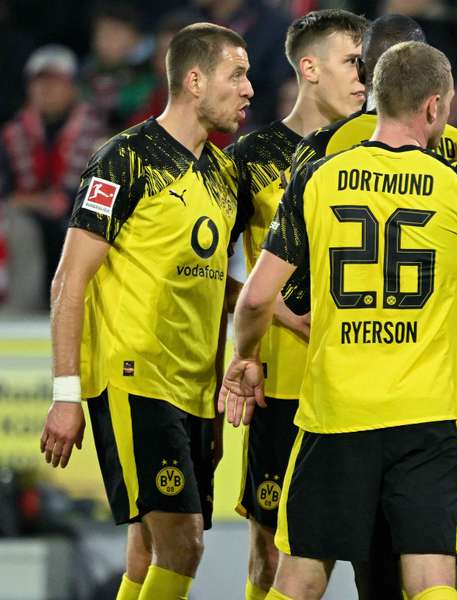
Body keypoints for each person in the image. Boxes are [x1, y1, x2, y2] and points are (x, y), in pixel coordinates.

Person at [220, 40, 457, 600]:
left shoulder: (318, 176)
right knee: (429, 580)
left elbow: (256, 299)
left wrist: (245, 360)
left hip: (334, 411)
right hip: (427, 417)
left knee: (300, 577)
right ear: (433, 107)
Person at [38, 22, 252, 600]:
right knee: (184, 547)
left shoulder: (223, 175)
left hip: (190, 390)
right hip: (135, 378)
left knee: (148, 551)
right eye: (237, 74)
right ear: (194, 79)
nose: (249, 89)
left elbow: (207, 284)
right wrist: (65, 394)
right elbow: (68, 280)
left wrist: (261, 310)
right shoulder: (124, 159)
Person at [291, 17, 457, 598]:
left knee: (335, 559)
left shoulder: (321, 156)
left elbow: (288, 281)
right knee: (438, 556)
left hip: (341, 389)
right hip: (431, 390)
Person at [226, 9, 369, 600]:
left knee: (367, 552)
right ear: (309, 69)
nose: (364, 77)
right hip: (280, 384)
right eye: (351, 62)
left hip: (360, 384)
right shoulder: (250, 157)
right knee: (270, 556)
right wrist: (275, 314)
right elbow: (207, 275)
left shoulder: (378, 151)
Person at [0, 44, 105, 313]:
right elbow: (6, 192)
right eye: (40, 82)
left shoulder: (98, 130)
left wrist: (65, 202)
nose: (46, 90)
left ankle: (89, 312)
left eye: (56, 82)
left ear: (72, 87)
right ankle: (21, 315)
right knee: (17, 226)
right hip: (26, 216)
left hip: (79, 214)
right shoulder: (12, 133)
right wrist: (39, 203)